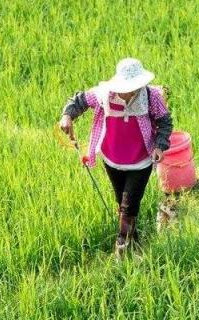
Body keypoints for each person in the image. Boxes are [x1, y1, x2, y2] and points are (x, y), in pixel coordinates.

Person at [59, 58, 173, 257]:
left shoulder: (150, 96)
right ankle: (133, 240)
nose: (127, 91)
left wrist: (160, 145)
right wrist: (67, 116)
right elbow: (79, 101)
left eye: (132, 87)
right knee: (121, 201)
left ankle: (120, 249)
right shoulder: (105, 94)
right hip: (112, 160)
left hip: (141, 161)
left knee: (129, 205)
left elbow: (164, 121)